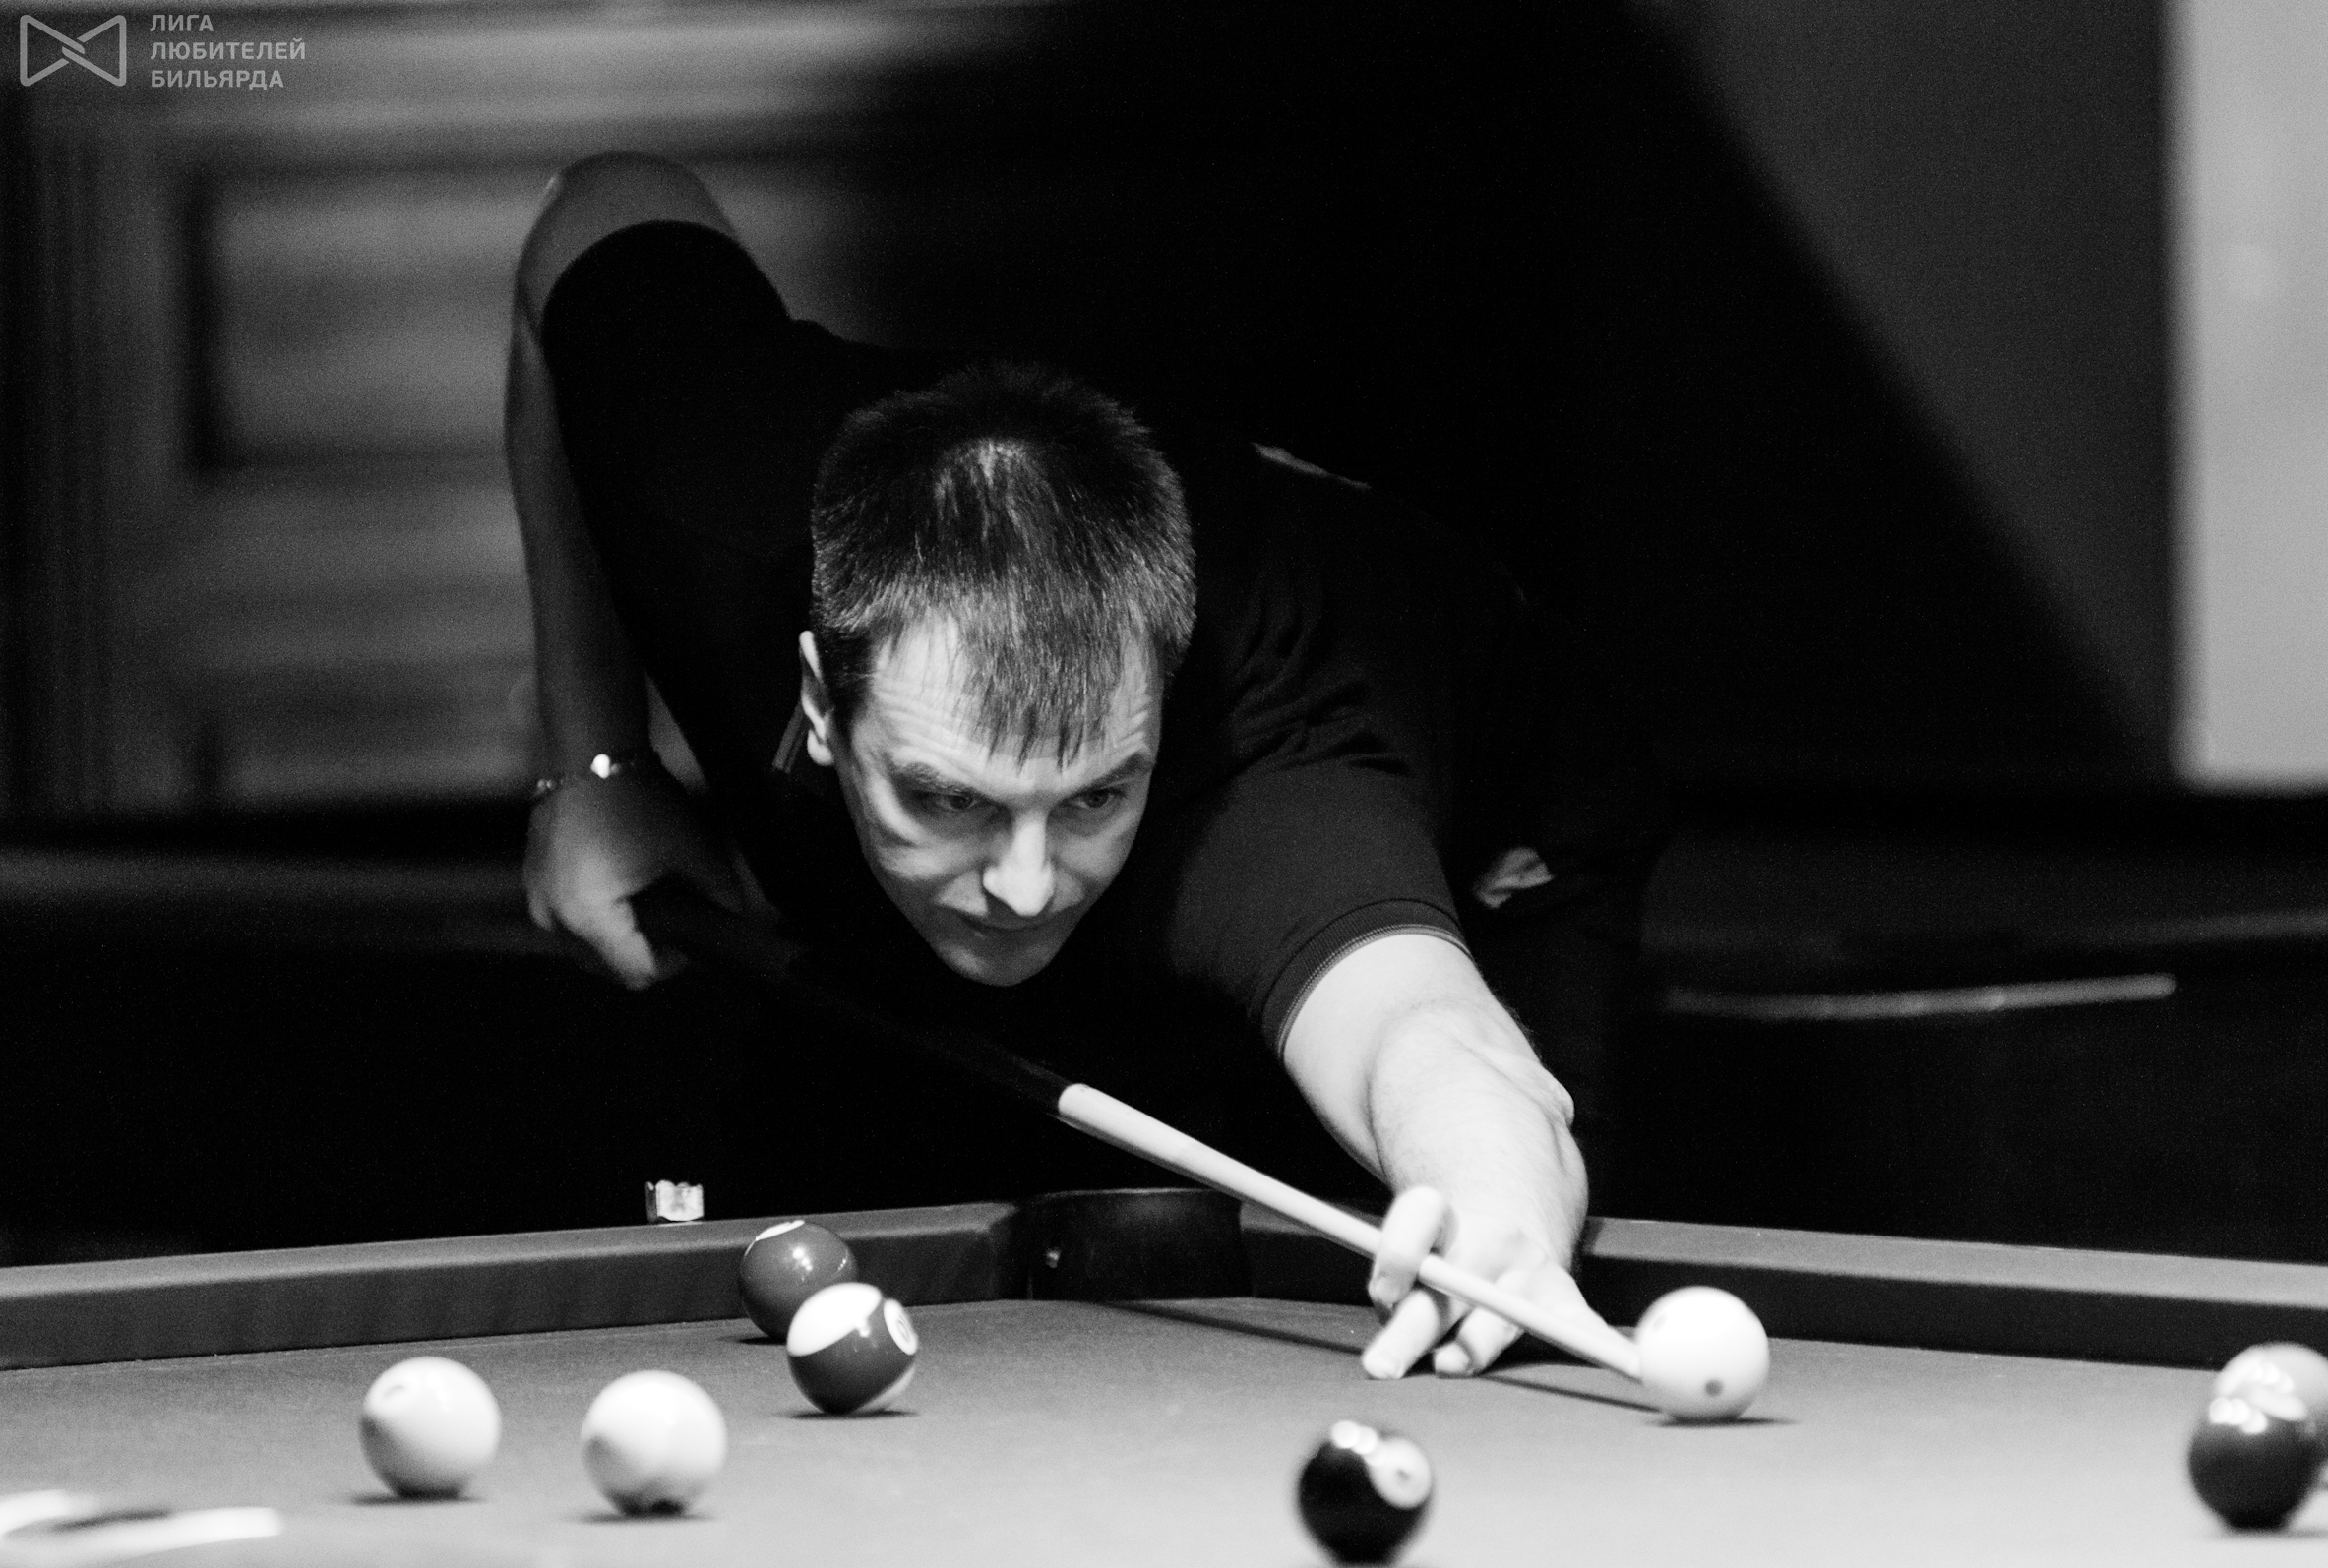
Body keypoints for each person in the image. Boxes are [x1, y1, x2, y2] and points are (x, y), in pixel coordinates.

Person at [508, 153, 1664, 1382]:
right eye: (949, 798)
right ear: (819, 703)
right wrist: (595, 762)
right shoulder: (705, 471)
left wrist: (1494, 1192)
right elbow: (595, 206)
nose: (1023, 884)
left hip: (1506, 810)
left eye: (1092, 797)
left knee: (1461, 1294)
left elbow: (1423, 1031)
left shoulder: (1268, 780)